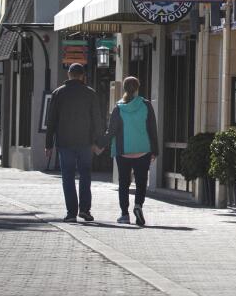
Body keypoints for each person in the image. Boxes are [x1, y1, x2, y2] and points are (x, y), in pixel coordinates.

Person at [45, 63, 103, 223]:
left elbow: (51, 121)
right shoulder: (90, 94)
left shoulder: (58, 93)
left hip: (65, 142)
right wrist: (99, 141)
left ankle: (71, 212)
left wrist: (48, 144)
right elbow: (97, 119)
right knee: (85, 174)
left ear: (69, 75)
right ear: (82, 76)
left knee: (68, 176)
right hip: (85, 142)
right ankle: (85, 210)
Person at [98, 76, 159, 226]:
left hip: (123, 151)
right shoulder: (146, 105)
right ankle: (138, 205)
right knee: (141, 182)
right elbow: (152, 129)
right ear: (138, 88)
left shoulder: (118, 108)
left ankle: (124, 214)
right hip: (143, 150)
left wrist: (99, 145)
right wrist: (155, 150)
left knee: (123, 183)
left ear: (124, 89)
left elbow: (111, 131)